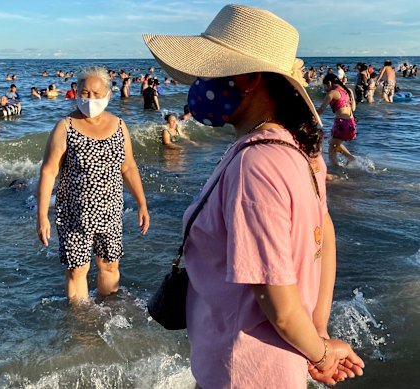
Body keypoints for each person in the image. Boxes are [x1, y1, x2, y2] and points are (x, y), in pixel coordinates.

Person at [144, 4, 365, 388]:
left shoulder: (255, 164)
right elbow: (324, 237)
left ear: (248, 78)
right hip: (276, 367)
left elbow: (277, 304)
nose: (199, 81)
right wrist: (317, 332)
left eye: (208, 69)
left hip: (240, 369)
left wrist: (322, 353)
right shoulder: (301, 152)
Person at [36, 66, 150, 304]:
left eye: (97, 94)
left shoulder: (119, 126)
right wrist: (42, 216)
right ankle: (80, 324)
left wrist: (142, 204)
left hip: (110, 210)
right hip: (74, 214)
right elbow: (48, 171)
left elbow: (128, 167)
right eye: (85, 93)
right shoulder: (65, 127)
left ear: (108, 94)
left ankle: (108, 311)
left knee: (109, 266)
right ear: (77, 92)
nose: (90, 99)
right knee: (77, 270)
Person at [317, 73, 357, 166]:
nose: (325, 89)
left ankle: (337, 171)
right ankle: (350, 158)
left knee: (331, 150)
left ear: (329, 83)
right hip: (351, 124)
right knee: (334, 143)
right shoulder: (349, 90)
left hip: (341, 123)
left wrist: (310, 116)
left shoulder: (332, 93)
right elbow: (353, 108)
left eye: (325, 86)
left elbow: (321, 110)